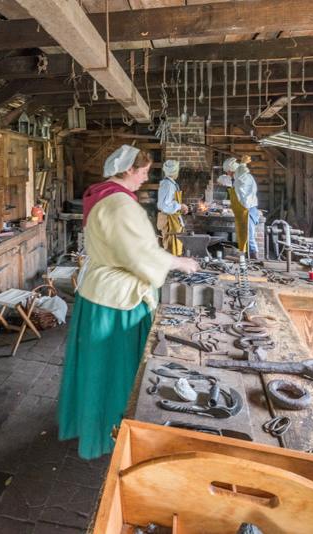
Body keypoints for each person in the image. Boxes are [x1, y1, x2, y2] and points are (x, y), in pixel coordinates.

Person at [57, 145, 200, 460]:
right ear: (128, 171)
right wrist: (178, 262)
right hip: (117, 300)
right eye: (144, 171)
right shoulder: (121, 205)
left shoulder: (101, 197)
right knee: (116, 368)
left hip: (97, 292)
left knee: (96, 368)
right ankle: (112, 432)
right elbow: (139, 255)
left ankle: (91, 421)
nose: (146, 177)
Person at [216, 156, 260, 257]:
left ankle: (255, 259)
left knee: (249, 237)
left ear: (232, 171)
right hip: (242, 211)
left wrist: (243, 163)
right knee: (243, 236)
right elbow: (226, 179)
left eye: (227, 171)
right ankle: (247, 258)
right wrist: (219, 180)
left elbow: (240, 175)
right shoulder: (235, 179)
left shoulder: (244, 178)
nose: (227, 174)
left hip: (248, 211)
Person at [156, 159, 189, 255]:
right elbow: (165, 205)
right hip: (169, 220)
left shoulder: (170, 184)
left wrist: (181, 209)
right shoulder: (168, 185)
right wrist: (179, 206)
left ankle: (174, 267)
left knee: (174, 246)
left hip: (173, 219)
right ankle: (171, 268)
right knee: (171, 247)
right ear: (175, 172)